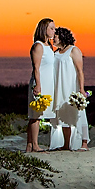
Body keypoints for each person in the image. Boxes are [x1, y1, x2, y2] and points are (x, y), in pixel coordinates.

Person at [50, 27, 89, 151]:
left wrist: (81, 89)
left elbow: (79, 71)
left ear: (62, 36)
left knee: (78, 113)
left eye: (55, 36)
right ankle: (66, 144)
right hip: (59, 88)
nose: (53, 38)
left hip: (71, 86)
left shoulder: (73, 50)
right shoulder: (55, 53)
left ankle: (84, 143)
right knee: (64, 115)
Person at [26, 18, 56, 152]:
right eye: (51, 28)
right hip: (40, 83)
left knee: (39, 115)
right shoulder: (38, 46)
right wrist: (38, 85)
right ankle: (34, 145)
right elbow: (36, 68)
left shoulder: (49, 46)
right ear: (44, 29)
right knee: (35, 116)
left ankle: (30, 144)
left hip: (48, 83)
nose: (54, 31)